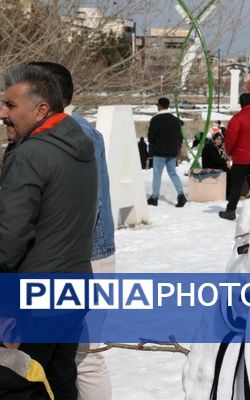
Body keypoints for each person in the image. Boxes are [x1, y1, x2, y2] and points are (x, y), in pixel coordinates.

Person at [0, 64, 98, 399]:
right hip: (73, 287)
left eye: (11, 106)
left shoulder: (31, 154)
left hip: (33, 295)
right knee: (58, 379)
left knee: (18, 384)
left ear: (41, 109)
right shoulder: (81, 146)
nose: (3, 113)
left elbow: (9, 236)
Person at [29, 61, 116, 400]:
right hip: (73, 260)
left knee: (85, 355)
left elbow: (82, 208)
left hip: (84, 260)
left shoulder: (76, 135)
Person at [147, 97, 187, 207]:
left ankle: (154, 197)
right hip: (173, 151)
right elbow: (180, 136)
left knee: (157, 175)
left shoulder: (156, 119)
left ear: (159, 106)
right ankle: (181, 195)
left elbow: (151, 137)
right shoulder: (175, 120)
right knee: (173, 173)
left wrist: (154, 145)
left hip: (159, 151)